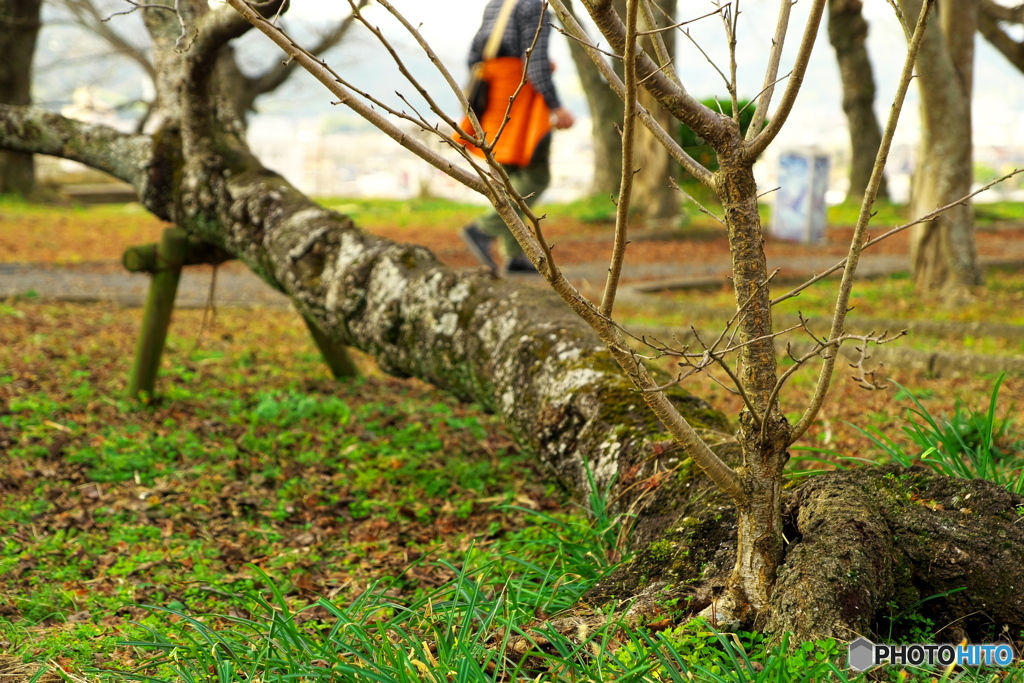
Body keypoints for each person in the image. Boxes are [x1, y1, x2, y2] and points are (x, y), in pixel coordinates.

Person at [458, 0, 575, 275]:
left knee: (509, 177)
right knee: (536, 176)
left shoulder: (497, 4)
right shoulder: (533, 5)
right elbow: (534, 63)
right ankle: (483, 229)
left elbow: (474, 56)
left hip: (495, 100)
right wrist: (556, 106)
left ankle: (514, 255)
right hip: (521, 101)